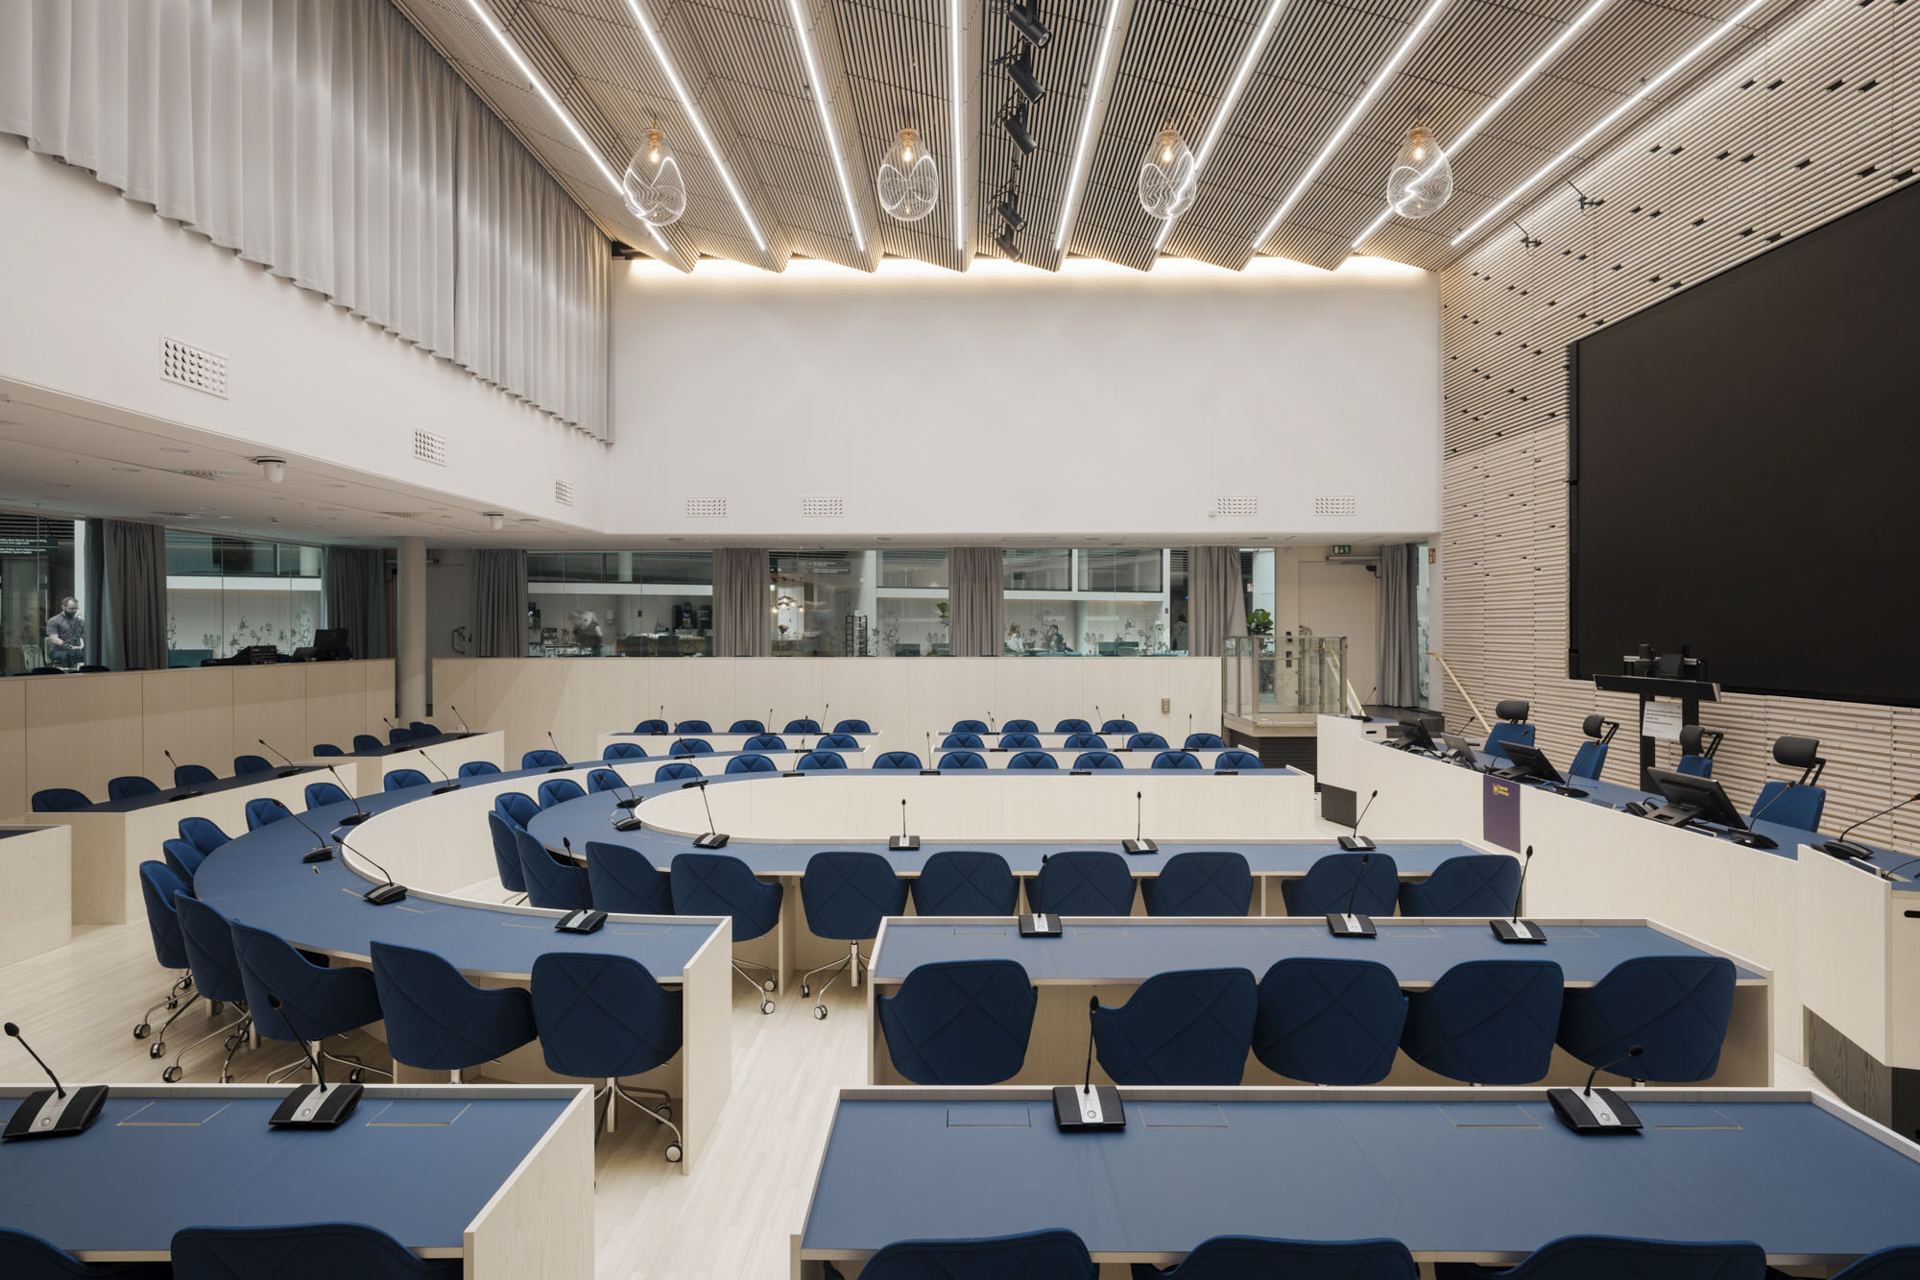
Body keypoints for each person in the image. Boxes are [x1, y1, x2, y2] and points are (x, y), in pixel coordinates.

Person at [45, 596, 84, 669]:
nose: (74, 611)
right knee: (68, 655)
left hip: (76, 651)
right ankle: (68, 674)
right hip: (58, 651)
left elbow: (85, 637)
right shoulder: (54, 621)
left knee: (89, 655)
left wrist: (86, 648)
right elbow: (54, 639)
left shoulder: (80, 622)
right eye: (71, 608)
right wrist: (69, 647)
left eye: (76, 608)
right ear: (63, 607)